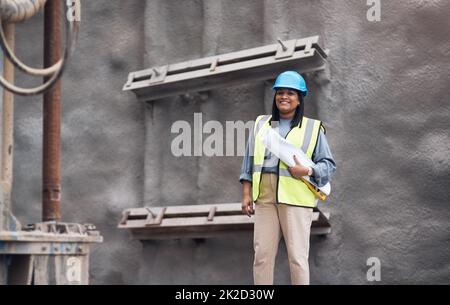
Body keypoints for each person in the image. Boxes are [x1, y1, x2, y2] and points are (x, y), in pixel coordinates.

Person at [240, 71, 336, 285]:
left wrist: (308, 171)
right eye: (280, 92)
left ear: (299, 98)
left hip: (296, 200)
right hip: (264, 200)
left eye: (290, 93)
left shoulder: (313, 128)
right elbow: (249, 161)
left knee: (297, 259)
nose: (284, 96)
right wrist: (246, 194)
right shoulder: (260, 125)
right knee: (262, 257)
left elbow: (328, 166)